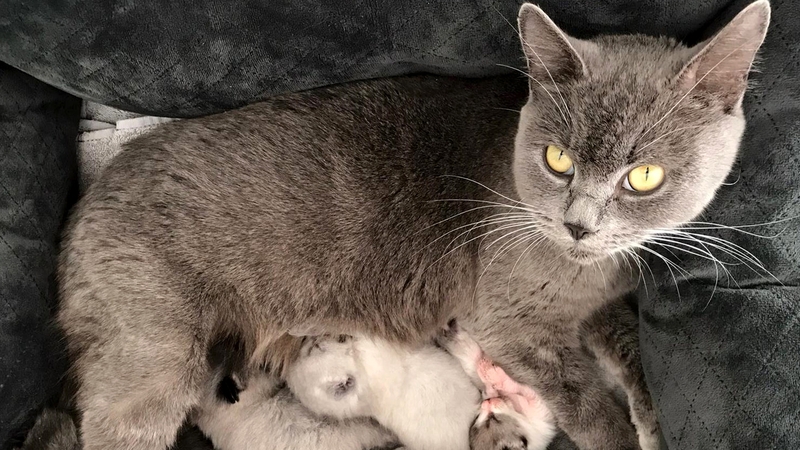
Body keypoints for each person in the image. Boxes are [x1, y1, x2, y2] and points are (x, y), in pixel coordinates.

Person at [0, 0, 797, 448]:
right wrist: (607, 425)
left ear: (724, 103)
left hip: (278, 313)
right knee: (139, 406)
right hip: (182, 228)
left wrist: (629, 366)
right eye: (558, 169)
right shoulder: (530, 174)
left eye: (644, 180)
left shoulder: (655, 185)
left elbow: (578, 297)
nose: (581, 219)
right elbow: (518, 322)